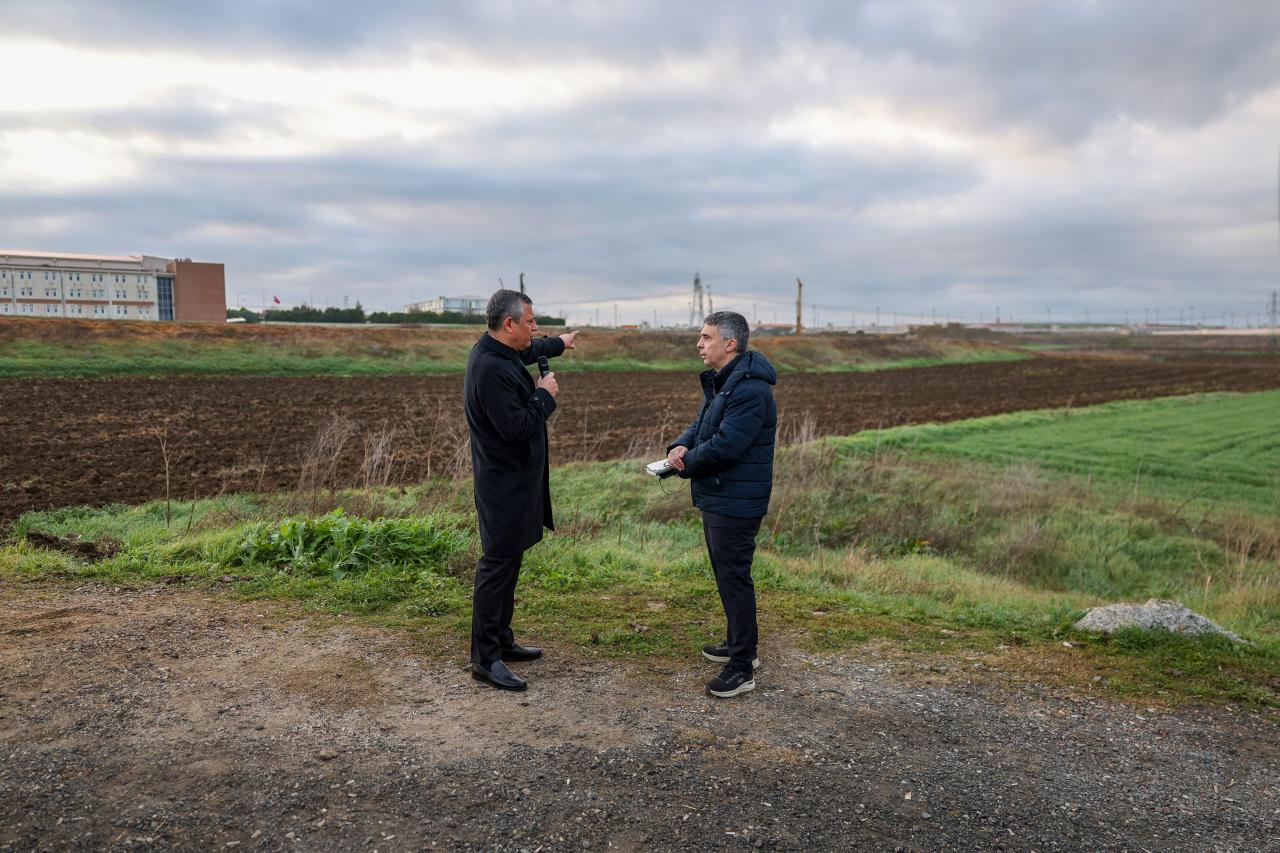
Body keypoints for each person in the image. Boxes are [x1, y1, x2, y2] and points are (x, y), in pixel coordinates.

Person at [464, 289, 578, 691]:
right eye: (530, 322)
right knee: (496, 567)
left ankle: (502, 640)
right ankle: (485, 658)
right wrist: (544, 395)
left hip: (516, 482)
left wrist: (560, 344)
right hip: (502, 484)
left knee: (510, 562)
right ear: (509, 323)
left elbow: (530, 350)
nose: (535, 328)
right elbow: (516, 427)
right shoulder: (490, 369)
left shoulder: (501, 351)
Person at [666, 311, 776, 698]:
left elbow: (728, 444)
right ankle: (738, 643)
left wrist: (683, 465)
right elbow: (702, 425)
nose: (699, 344)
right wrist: (679, 446)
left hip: (736, 499)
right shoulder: (725, 383)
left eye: (706, 337)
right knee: (727, 575)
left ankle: (743, 666)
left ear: (729, 344)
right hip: (720, 493)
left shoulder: (750, 389)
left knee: (734, 577)